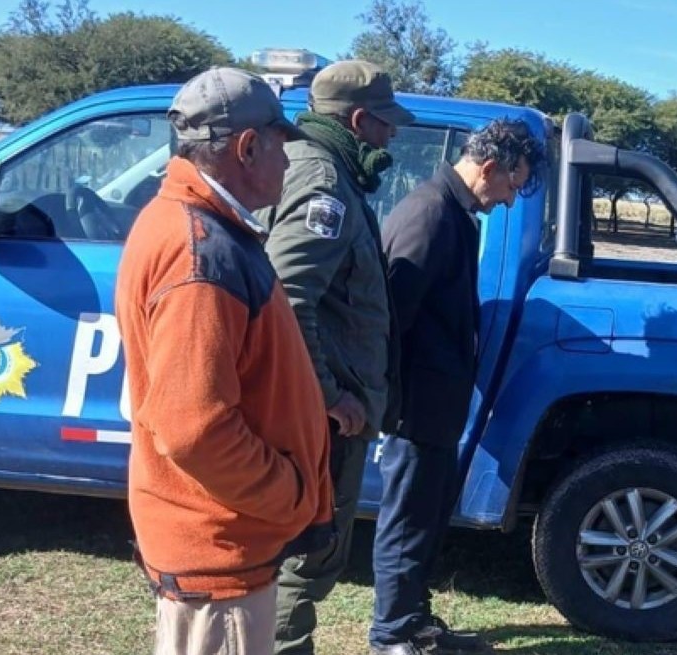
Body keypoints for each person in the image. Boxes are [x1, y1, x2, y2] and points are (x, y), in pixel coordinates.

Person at [115, 67, 334, 655]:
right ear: (247, 147)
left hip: (222, 546)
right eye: (282, 145)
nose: (288, 161)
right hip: (220, 557)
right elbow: (193, 428)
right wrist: (289, 495)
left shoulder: (199, 227)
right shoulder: (200, 251)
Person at [368, 118, 543, 655]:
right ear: (489, 168)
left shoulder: (454, 212)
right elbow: (388, 319)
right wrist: (393, 405)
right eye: (512, 185)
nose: (509, 200)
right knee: (407, 520)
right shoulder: (429, 215)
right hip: (416, 407)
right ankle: (392, 634)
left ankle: (414, 622)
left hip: (437, 404)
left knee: (425, 517)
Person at [257, 60, 414, 655]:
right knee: (303, 559)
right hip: (320, 419)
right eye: (385, 122)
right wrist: (329, 395)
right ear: (357, 119)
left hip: (320, 409)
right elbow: (287, 298)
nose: (391, 135)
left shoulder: (319, 170)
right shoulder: (323, 182)